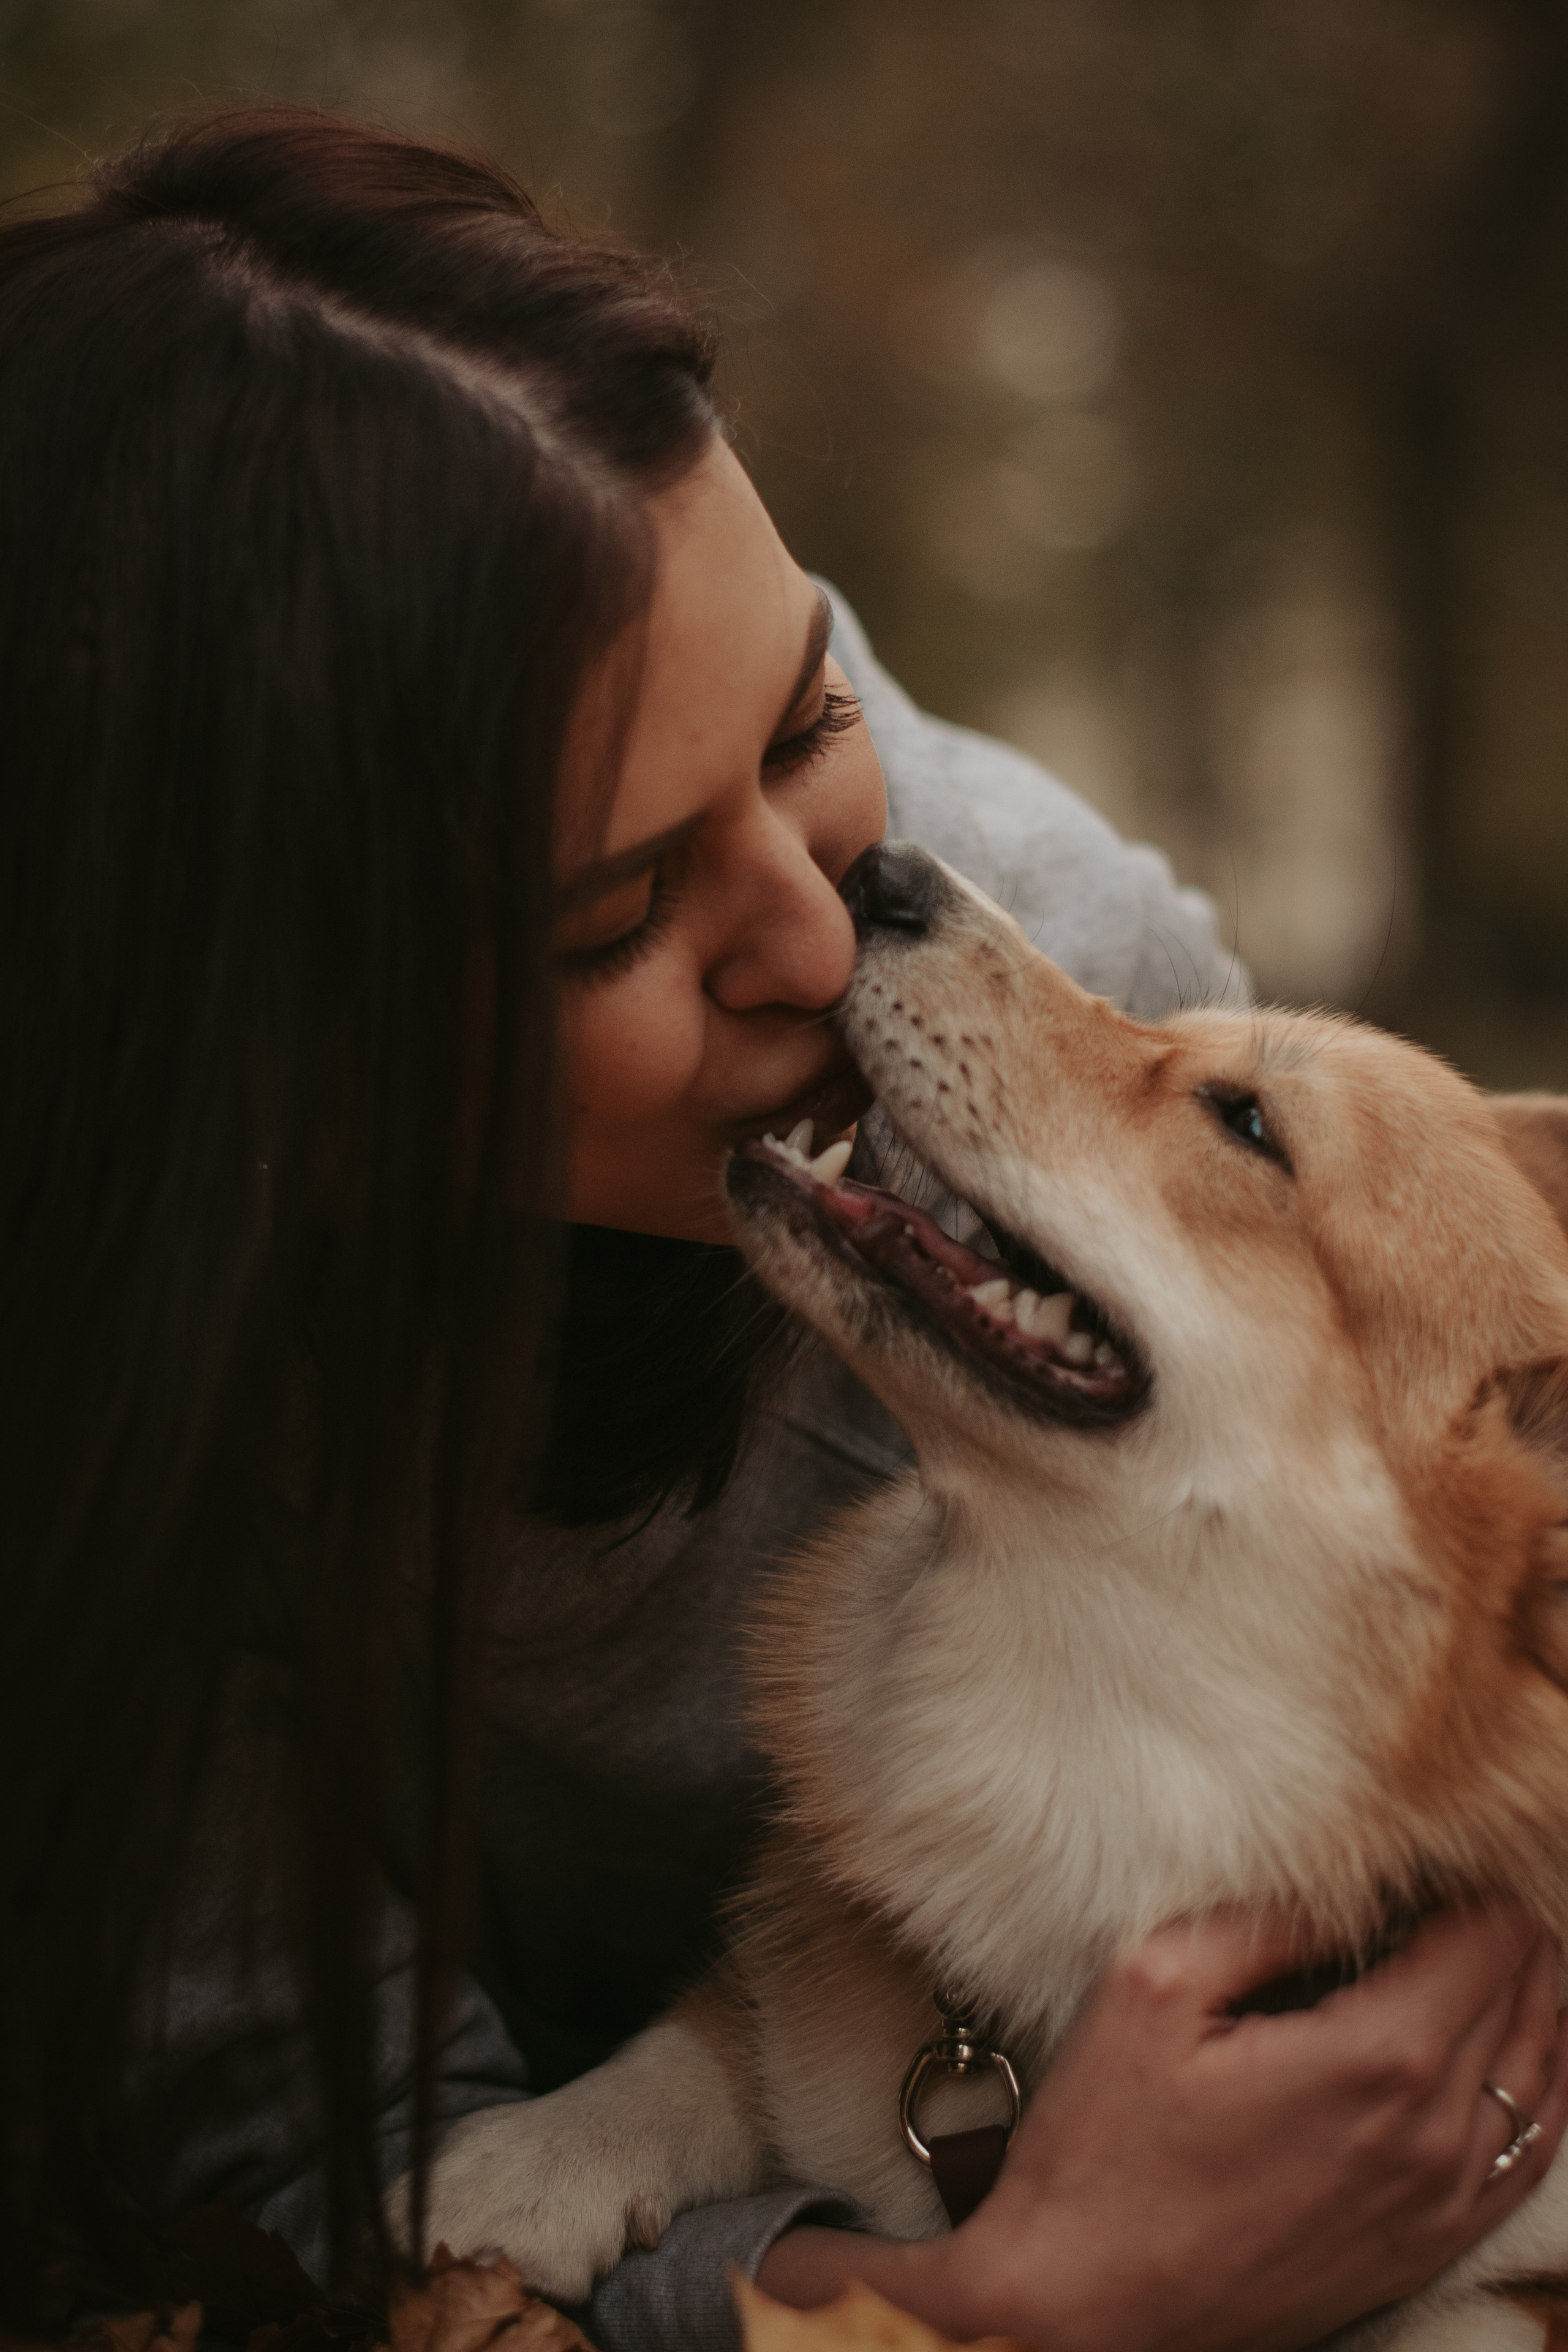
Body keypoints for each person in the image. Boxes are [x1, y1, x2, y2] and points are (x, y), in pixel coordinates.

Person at [0, 104, 1561, 2352]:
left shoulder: (1006, 923)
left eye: (812, 712)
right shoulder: (112, 1430)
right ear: (262, 1063)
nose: (833, 950)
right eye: (620, 910)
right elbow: (303, 2210)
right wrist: (1014, 2296)